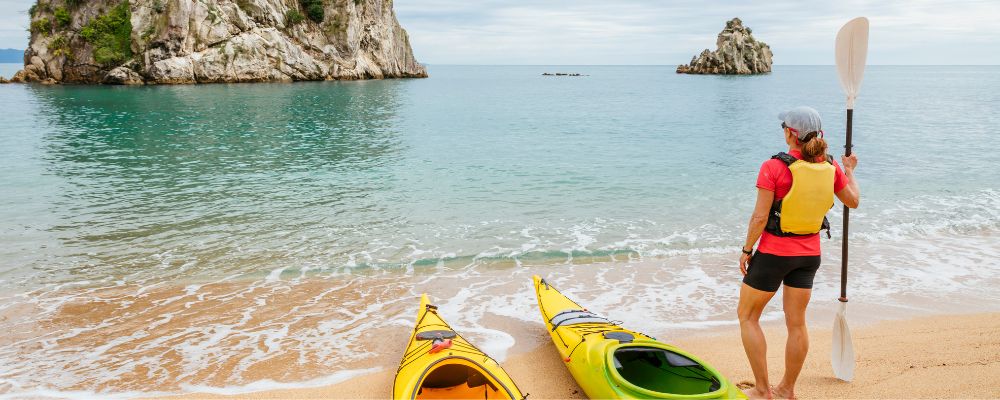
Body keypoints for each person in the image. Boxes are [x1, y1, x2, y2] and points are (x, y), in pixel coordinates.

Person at [737, 106, 860, 399]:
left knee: (748, 316)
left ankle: (763, 390)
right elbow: (853, 201)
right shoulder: (830, 168)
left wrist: (746, 249)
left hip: (773, 255)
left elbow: (759, 217)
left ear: (791, 133)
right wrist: (850, 170)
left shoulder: (774, 167)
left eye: (784, 126)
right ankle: (787, 390)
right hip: (808, 257)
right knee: (796, 323)